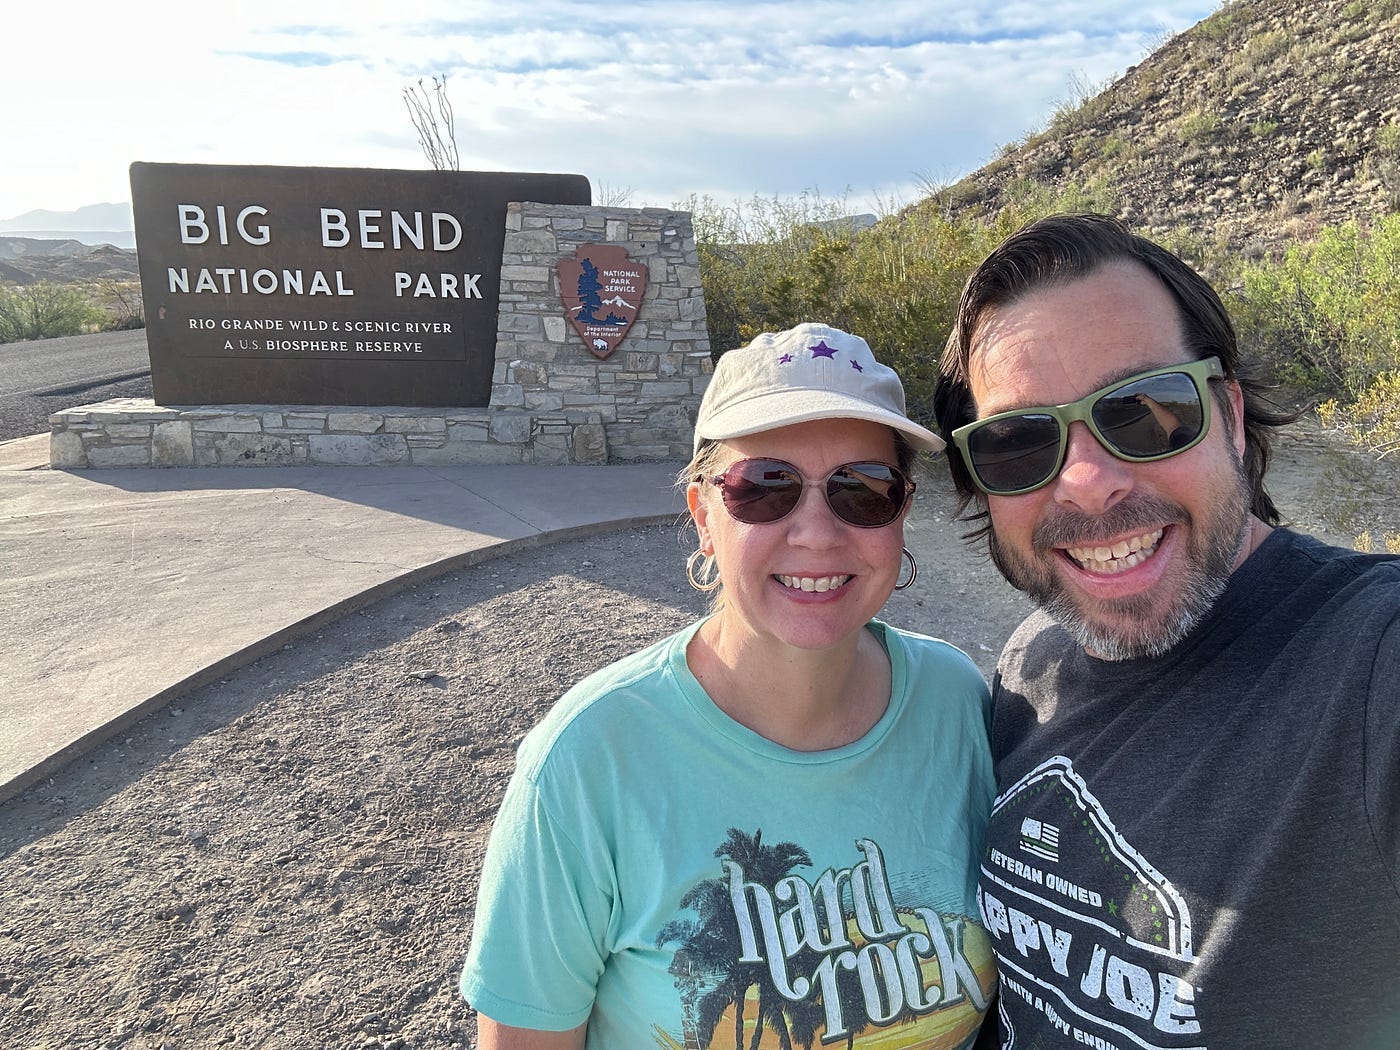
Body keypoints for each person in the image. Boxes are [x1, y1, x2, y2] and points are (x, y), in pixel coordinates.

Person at [931, 213, 1400, 1048]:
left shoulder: (1370, 662)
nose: (1087, 482)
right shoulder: (1027, 665)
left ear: (1229, 415)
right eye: (1018, 443)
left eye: (1144, 412)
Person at [461, 322, 1000, 1049]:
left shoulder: (955, 700)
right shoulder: (589, 759)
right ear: (703, 517)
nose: (817, 533)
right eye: (765, 487)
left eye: (864, 489)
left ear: (901, 512)